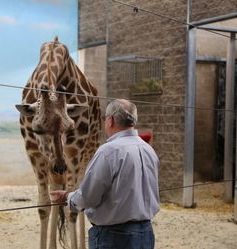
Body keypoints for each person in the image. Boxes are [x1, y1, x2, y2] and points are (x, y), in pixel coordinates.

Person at [50, 99, 160, 249]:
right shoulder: (148, 150)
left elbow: (88, 197)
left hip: (114, 237)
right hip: (145, 234)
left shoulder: (109, 151)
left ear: (110, 120)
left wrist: (66, 197)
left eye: (104, 119)